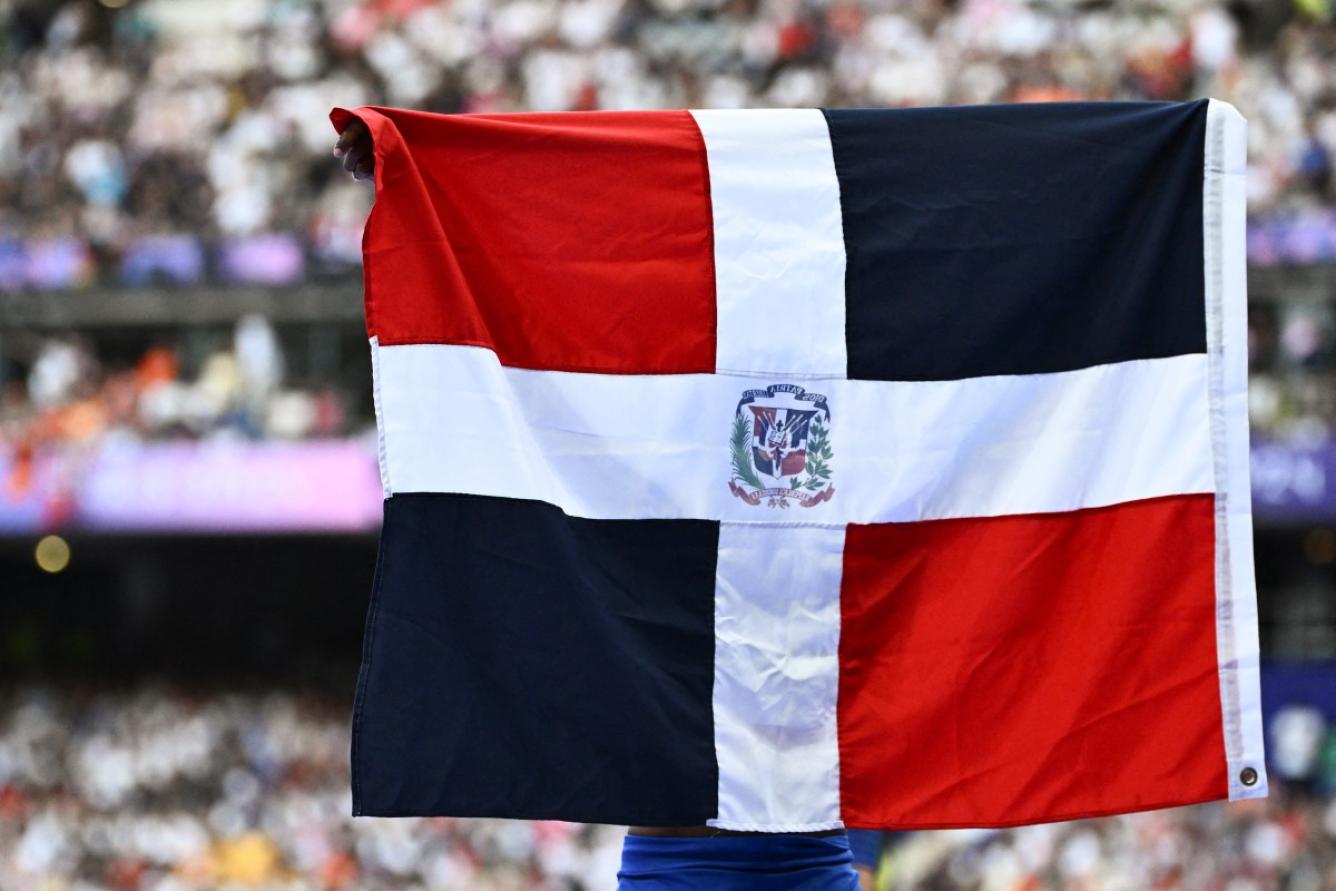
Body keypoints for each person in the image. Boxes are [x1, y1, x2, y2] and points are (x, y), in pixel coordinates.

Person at [333, 118, 862, 890]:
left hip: (811, 855)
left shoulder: (825, 500)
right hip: (678, 859)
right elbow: (560, 277)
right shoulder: (643, 514)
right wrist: (420, 176)